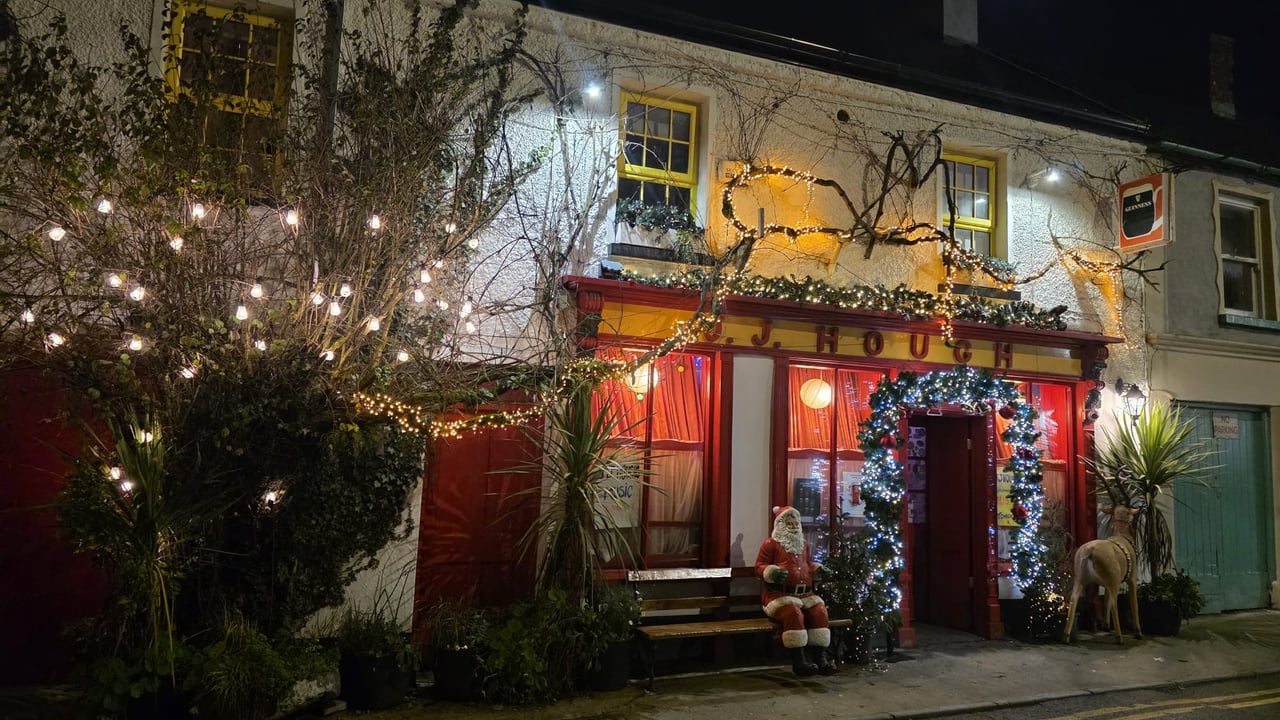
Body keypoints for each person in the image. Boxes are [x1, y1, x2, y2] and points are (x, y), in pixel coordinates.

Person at [755, 505, 836, 676]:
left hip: (806, 594)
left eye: (795, 522)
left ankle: (820, 659)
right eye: (788, 522)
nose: (792, 525)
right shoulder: (770, 544)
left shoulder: (803, 544)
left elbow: (807, 564)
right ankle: (799, 662)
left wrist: (818, 569)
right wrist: (771, 572)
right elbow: (759, 567)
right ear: (780, 524)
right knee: (794, 613)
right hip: (780, 595)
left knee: (820, 612)